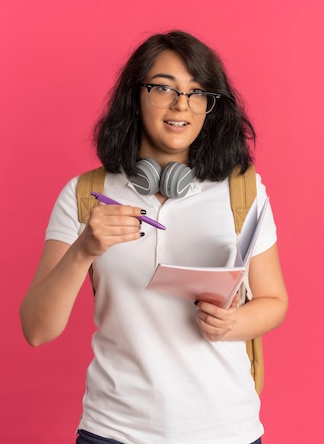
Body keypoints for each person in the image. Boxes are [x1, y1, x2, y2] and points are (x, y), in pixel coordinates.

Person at [20, 30, 288, 444]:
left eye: (197, 92)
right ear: (135, 95)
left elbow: (274, 302)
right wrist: (84, 250)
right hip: (114, 431)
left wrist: (232, 322)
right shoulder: (84, 194)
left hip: (225, 431)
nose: (181, 104)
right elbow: (37, 329)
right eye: (163, 87)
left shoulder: (242, 191)